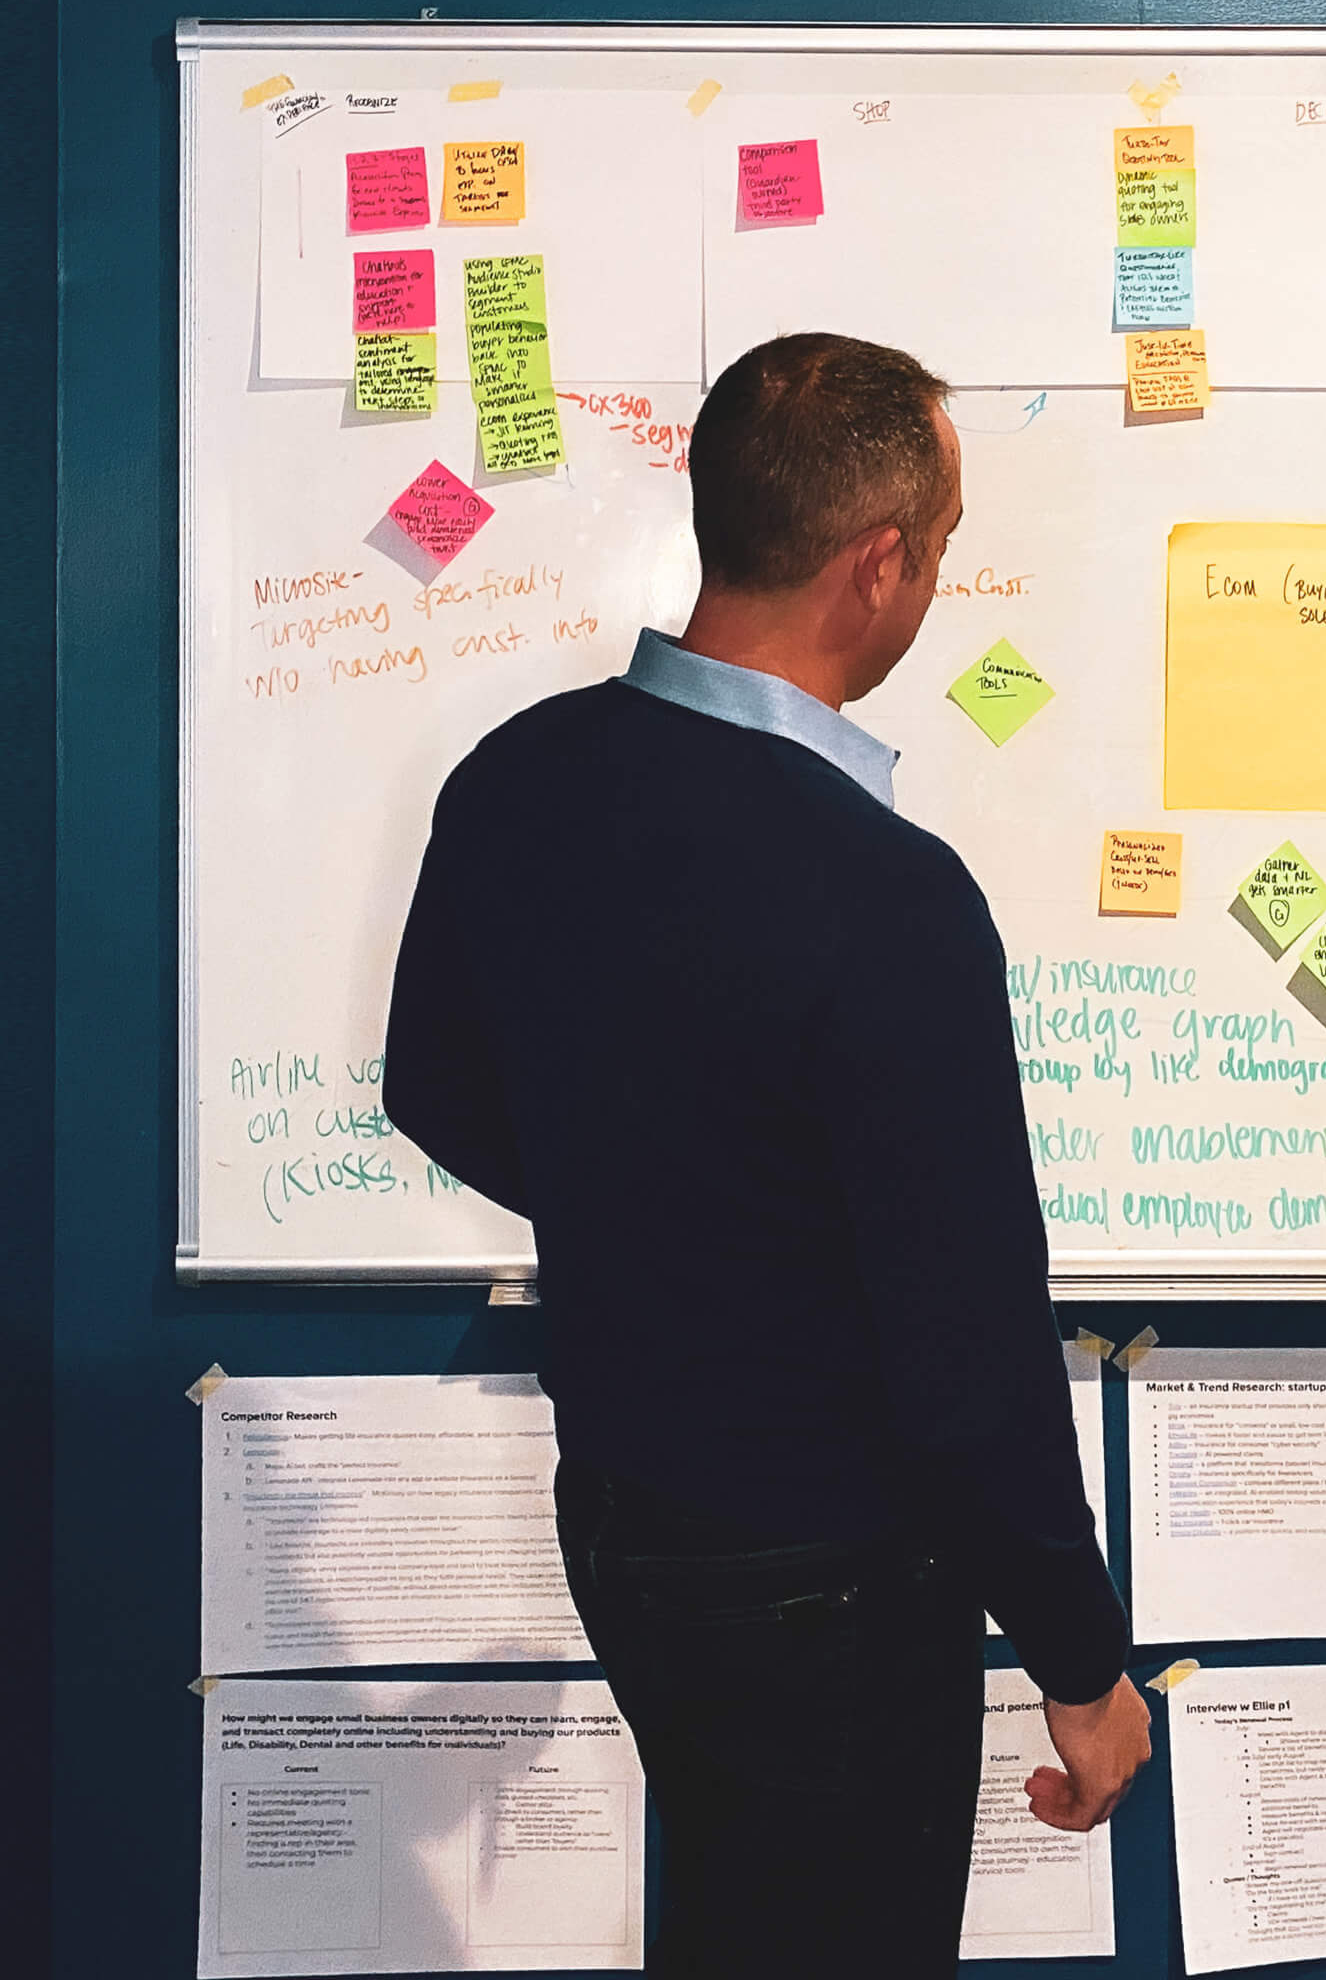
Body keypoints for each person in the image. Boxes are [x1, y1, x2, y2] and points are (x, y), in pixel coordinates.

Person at [384, 332, 1151, 1976]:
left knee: (736, 1926)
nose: (934, 581)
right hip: (831, 1574)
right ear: (878, 563)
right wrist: (1083, 1667)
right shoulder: (885, 896)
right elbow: (965, 1360)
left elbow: (431, 1085)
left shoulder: (512, 781)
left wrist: (653, 1206)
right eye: (940, 549)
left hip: (627, 1520)